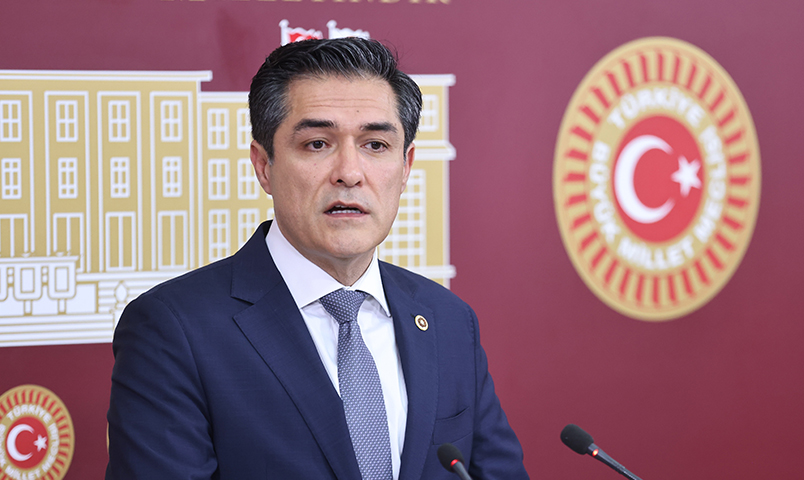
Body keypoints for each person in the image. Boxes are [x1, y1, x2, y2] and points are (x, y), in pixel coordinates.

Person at [106, 38, 528, 479]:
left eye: (375, 145)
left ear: (405, 167)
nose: (349, 172)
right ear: (264, 165)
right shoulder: (174, 329)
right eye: (317, 144)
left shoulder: (449, 321)